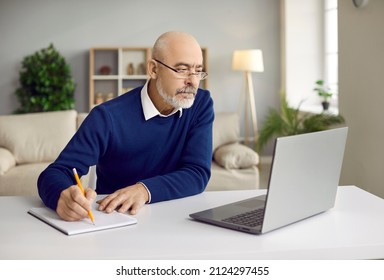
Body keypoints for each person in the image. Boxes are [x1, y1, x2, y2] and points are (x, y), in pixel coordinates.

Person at [37, 31, 214, 221]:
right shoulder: (107, 116)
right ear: (153, 69)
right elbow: (56, 173)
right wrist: (61, 196)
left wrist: (144, 191)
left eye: (197, 70)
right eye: (182, 70)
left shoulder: (200, 104)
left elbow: (197, 172)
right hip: (117, 219)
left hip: (178, 217)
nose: (193, 81)